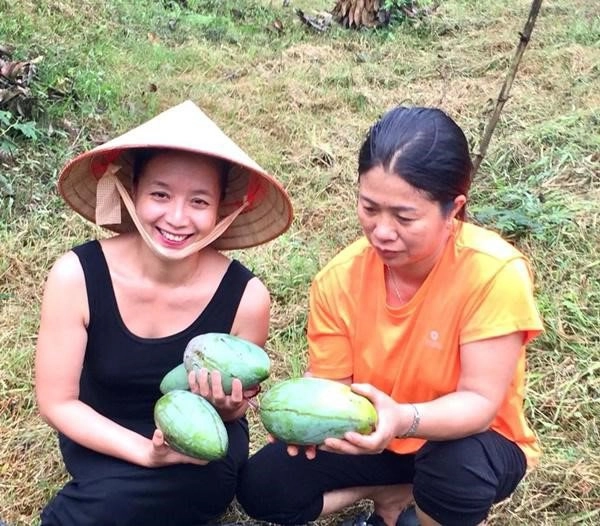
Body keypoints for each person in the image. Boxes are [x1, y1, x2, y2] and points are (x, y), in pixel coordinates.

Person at [237, 106, 543, 526]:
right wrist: (306, 419)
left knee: (455, 467)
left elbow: (480, 403)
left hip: (469, 438)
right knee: (265, 484)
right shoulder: (338, 280)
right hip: (376, 436)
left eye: (404, 216)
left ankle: (424, 509)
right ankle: (391, 491)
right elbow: (334, 387)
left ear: (453, 209)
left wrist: (403, 418)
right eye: (369, 207)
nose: (381, 230)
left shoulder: (493, 273)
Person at [35, 100, 293, 526]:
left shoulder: (246, 296)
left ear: (223, 210)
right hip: (100, 431)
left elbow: (233, 412)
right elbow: (57, 403)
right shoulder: (75, 276)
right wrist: (145, 453)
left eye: (198, 201)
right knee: (111, 503)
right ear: (131, 190)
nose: (176, 218)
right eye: (160, 194)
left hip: (198, 448)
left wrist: (226, 409)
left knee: (132, 501)